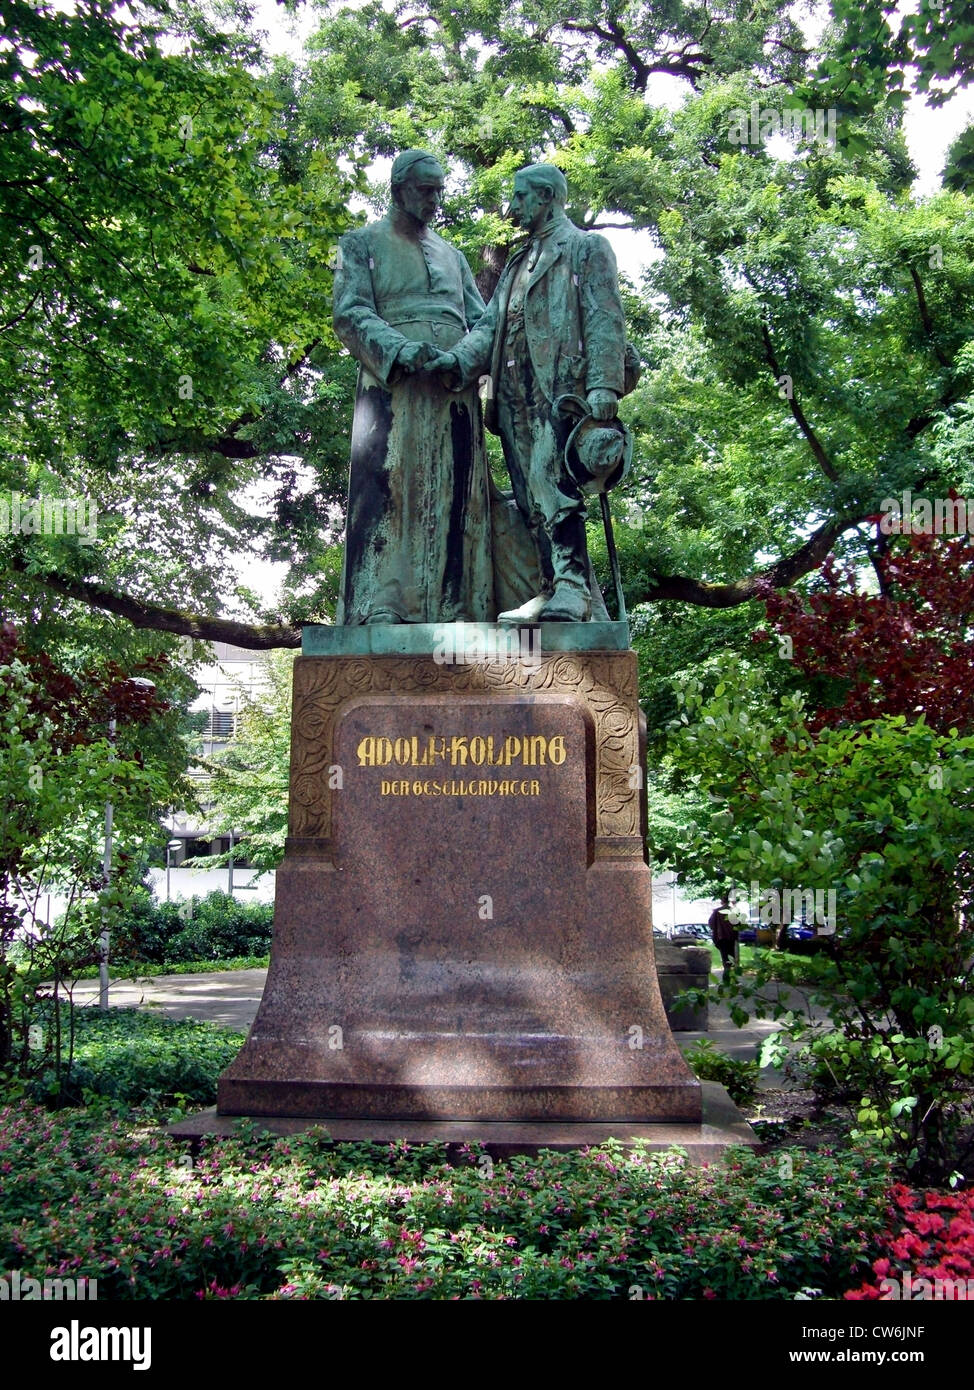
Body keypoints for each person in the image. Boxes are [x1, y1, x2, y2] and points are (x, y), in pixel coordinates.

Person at [427, 163, 628, 622]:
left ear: (546, 197)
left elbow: (604, 317)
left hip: (560, 390)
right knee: (529, 493)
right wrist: (456, 362)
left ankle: (573, 586)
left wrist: (603, 384)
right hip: (514, 395)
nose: (512, 207)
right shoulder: (517, 262)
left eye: (520, 197)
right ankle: (549, 584)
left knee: (554, 485)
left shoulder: (584, 248)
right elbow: (490, 327)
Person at [332, 149, 494, 624]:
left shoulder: (454, 255)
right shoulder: (359, 244)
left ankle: (454, 603)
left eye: (440, 189)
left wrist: (462, 358)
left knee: (456, 492)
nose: (435, 199)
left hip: (452, 390)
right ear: (399, 188)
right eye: (426, 189)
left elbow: (486, 323)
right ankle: (382, 604)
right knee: (389, 489)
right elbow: (350, 312)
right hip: (393, 387)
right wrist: (400, 350)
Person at [709, 892, 739, 979]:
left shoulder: (717, 911)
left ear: (721, 901)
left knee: (725, 957)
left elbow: (711, 924)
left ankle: (727, 976)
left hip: (721, 938)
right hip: (732, 937)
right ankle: (731, 977)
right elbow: (738, 923)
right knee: (732, 957)